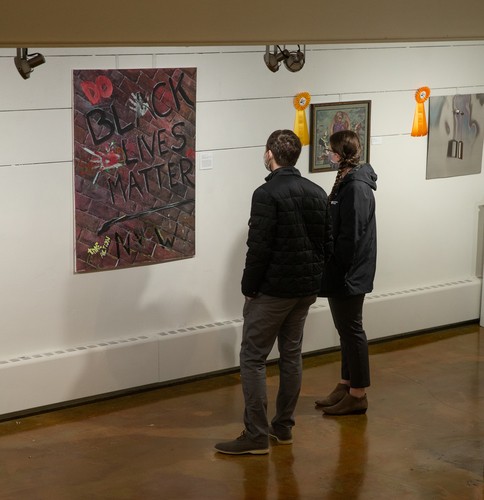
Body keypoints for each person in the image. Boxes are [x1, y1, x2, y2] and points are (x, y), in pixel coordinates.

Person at [214, 129, 331, 455]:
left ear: (270, 154)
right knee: (291, 356)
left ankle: (256, 436)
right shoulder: (316, 191)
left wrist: (249, 288)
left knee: (252, 359)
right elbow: (327, 244)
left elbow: (259, 247)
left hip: (273, 292)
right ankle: (283, 428)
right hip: (304, 290)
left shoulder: (265, 194)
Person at [315, 129, 377, 416]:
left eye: (330, 151)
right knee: (346, 330)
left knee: (352, 330)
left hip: (349, 273)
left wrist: (337, 269)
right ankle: (346, 383)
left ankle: (358, 393)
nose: (328, 155)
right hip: (344, 271)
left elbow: (350, 236)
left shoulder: (356, 187)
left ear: (339, 155)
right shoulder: (347, 182)